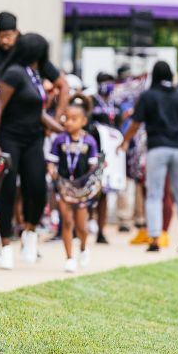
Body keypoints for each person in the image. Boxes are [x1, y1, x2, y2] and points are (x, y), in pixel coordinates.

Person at [0, 33, 61, 268]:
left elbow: (35, 111)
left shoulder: (34, 75)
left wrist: (59, 127)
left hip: (33, 138)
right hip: (10, 138)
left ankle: (30, 231)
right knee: (8, 189)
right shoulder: (14, 73)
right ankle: (5, 244)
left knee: (37, 186)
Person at [118, 60, 178, 253]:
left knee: (154, 194)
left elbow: (135, 124)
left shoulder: (148, 96)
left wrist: (124, 141)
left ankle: (155, 238)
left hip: (157, 149)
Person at [47, 97, 101, 273]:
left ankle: (84, 247)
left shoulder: (90, 141)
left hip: (82, 189)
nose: (68, 122)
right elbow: (51, 161)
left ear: (84, 121)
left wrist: (93, 181)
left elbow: (94, 165)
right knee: (67, 221)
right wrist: (52, 172)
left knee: (81, 225)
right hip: (63, 186)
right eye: (66, 118)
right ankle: (69, 257)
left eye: (73, 119)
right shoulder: (59, 140)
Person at [89, 72, 127, 238]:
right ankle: (87, 221)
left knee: (104, 190)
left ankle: (101, 230)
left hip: (110, 152)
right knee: (91, 188)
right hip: (94, 149)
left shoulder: (116, 104)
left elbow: (118, 124)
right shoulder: (91, 101)